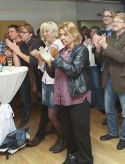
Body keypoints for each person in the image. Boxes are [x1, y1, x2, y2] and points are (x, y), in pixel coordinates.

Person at [94, 12, 125, 150]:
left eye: (118, 21)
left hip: (123, 79)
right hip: (108, 78)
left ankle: (124, 137)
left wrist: (105, 47)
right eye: (114, 21)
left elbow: (122, 57)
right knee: (109, 110)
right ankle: (113, 133)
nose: (114, 23)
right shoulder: (108, 38)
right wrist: (98, 48)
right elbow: (101, 59)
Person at [51, 22, 93, 164]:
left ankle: (86, 160)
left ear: (74, 35)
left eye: (65, 34)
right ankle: (72, 156)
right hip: (63, 97)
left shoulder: (81, 50)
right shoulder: (61, 51)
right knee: (69, 133)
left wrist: (56, 59)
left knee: (80, 133)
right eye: (60, 34)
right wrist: (45, 60)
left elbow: (74, 71)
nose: (62, 37)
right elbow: (53, 73)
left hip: (78, 97)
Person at [28, 22, 66, 153]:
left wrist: (44, 59)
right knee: (53, 113)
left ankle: (63, 139)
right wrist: (39, 57)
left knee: (52, 114)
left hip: (55, 83)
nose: (44, 34)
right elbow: (42, 67)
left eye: (47, 31)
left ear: (54, 32)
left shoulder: (60, 45)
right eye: (43, 31)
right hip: (46, 81)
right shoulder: (48, 45)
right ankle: (60, 135)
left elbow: (57, 67)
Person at [6, 23, 45, 128]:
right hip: (26, 73)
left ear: (31, 34)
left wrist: (18, 51)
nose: (21, 34)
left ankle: (48, 119)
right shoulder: (22, 44)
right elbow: (17, 64)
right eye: (20, 32)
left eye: (23, 32)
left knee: (44, 99)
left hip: (40, 74)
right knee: (24, 96)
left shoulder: (37, 42)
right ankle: (24, 118)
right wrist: (15, 50)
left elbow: (33, 61)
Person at [83, 26, 105, 113]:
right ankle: (92, 102)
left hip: (95, 66)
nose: (93, 33)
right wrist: (86, 43)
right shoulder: (86, 41)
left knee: (97, 86)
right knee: (90, 86)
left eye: (95, 31)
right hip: (87, 66)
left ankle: (101, 106)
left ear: (98, 33)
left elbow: (99, 54)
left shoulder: (100, 41)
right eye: (91, 31)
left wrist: (94, 45)